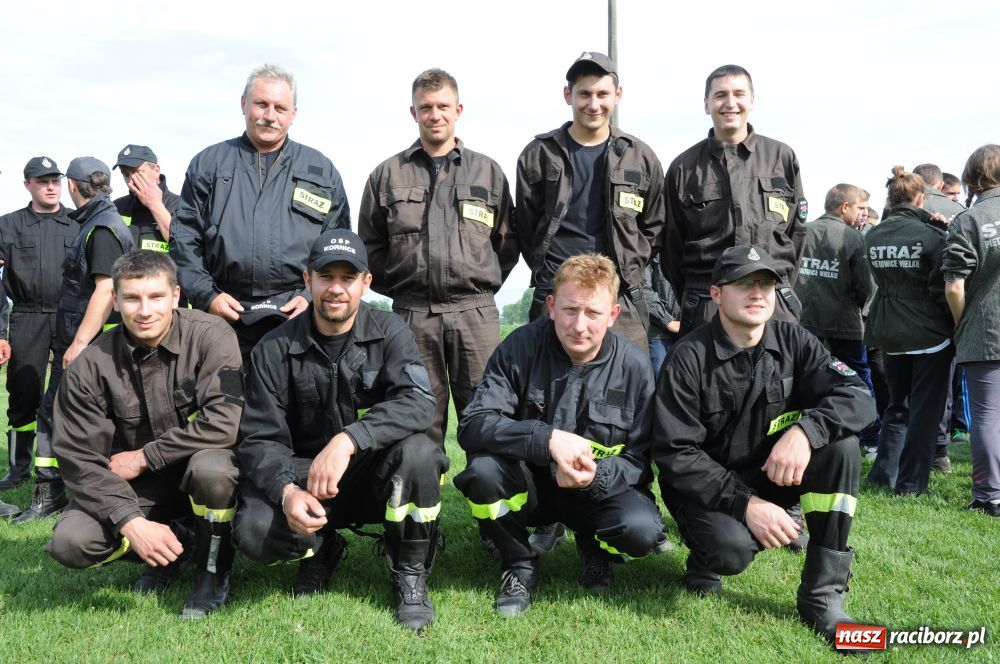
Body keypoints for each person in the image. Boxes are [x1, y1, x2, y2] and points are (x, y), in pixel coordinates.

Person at [653, 244, 875, 644]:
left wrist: (806, 431)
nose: (757, 293)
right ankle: (706, 556)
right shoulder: (687, 358)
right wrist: (746, 505)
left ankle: (822, 596)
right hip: (706, 489)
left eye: (766, 284)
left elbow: (858, 396)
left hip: (769, 473)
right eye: (744, 283)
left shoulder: (795, 341)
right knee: (729, 551)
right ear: (717, 293)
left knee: (840, 446)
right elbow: (676, 454)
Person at [233, 229, 447, 632]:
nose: (336, 288)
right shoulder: (272, 348)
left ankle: (410, 572)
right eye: (325, 276)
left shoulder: (391, 331)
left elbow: (419, 402)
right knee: (254, 531)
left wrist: (349, 439)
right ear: (307, 279)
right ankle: (321, 546)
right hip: (306, 478)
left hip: (371, 475)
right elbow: (259, 438)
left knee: (420, 453)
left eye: (347, 278)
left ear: (366, 283)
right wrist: (286, 492)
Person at [454, 253, 669, 617]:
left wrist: (596, 478)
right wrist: (546, 438)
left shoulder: (635, 366)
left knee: (642, 531)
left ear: (613, 315)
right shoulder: (520, 347)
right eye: (570, 310)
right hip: (533, 486)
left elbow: (640, 459)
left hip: (596, 491)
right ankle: (518, 564)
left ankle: (594, 549)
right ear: (552, 307)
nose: (579, 326)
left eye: (593, 313)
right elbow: (474, 423)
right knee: (483, 472)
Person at [45, 251, 243, 618]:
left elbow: (225, 422)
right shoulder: (90, 366)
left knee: (212, 471)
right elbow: (78, 460)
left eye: (156, 296)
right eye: (132, 298)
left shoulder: (213, 336)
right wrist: (131, 523)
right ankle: (176, 545)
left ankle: (213, 569)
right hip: (141, 489)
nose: (145, 310)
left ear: (176, 296)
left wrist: (144, 457)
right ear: (115, 301)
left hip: (201, 472)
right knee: (71, 542)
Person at [358, 68, 517, 449]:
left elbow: (507, 243)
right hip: (413, 315)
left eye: (443, 106)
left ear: (458, 110)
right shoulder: (387, 175)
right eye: (426, 107)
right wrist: (404, 287)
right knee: (417, 419)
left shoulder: (488, 172)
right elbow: (370, 247)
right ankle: (425, 488)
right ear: (413, 112)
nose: (435, 115)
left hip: (475, 314)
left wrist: (476, 281)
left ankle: (488, 488)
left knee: (487, 416)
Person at [171, 64, 350, 360]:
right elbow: (184, 240)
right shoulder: (208, 164)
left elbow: (336, 246)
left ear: (293, 114)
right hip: (224, 313)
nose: (270, 115)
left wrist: (310, 297)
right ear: (244, 103)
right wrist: (207, 296)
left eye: (280, 108)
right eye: (261, 104)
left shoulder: (321, 170)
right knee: (224, 390)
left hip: (296, 315)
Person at [12, 157, 136, 524]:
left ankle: (51, 492)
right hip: (99, 343)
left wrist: (79, 343)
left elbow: (105, 289)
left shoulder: (101, 228)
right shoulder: (105, 221)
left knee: (53, 413)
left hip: (89, 344)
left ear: (72, 186)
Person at [516, 51, 665, 351]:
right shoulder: (539, 154)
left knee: (627, 377)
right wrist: (551, 272)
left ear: (617, 95)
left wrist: (629, 267)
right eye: (584, 94)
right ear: (568, 95)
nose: (593, 104)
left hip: (621, 295)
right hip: (556, 293)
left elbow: (655, 226)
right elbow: (525, 227)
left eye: (602, 94)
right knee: (547, 376)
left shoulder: (640, 157)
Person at [664, 65, 806, 335]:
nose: (730, 103)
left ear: (752, 100)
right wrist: (702, 292)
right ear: (706, 104)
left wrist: (775, 284)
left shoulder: (782, 158)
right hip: (707, 304)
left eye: (739, 94)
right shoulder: (684, 167)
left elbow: (796, 234)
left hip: (773, 303)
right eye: (720, 95)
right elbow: (672, 248)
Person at [865, 167, 952, 496]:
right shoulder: (932, 235)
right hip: (928, 333)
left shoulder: (873, 235)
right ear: (921, 198)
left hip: (888, 329)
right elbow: (941, 289)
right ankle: (911, 484)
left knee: (896, 406)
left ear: (890, 199)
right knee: (925, 412)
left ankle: (883, 475)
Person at [0, 157, 78, 518]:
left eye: (55, 181)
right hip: (27, 317)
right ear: (27, 184)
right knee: (23, 391)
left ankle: (65, 470)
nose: (50, 187)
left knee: (70, 395)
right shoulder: (8, 225)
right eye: (42, 181)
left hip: (68, 317)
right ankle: (18, 468)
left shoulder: (77, 223)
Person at [793, 184, 879, 454]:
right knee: (858, 379)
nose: (863, 213)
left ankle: (805, 431)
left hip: (803, 320)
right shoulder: (853, 237)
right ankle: (870, 437)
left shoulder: (803, 232)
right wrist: (863, 310)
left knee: (804, 377)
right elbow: (866, 286)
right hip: (844, 322)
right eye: (860, 208)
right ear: (844, 207)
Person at [943, 144, 1000, 517]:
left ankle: (989, 496)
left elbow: (953, 286)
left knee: (987, 415)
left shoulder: (969, 219)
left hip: (986, 329)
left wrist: (961, 321)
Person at [112, 144, 181, 254]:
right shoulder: (116, 208)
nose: (131, 181)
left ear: (156, 170)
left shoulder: (181, 206)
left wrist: (155, 205)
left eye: (137, 172)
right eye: (126, 174)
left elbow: (184, 245)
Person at [644, 254, 680, 378]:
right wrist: (666, 320)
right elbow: (642, 288)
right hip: (659, 333)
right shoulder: (653, 253)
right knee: (660, 378)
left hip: (691, 331)